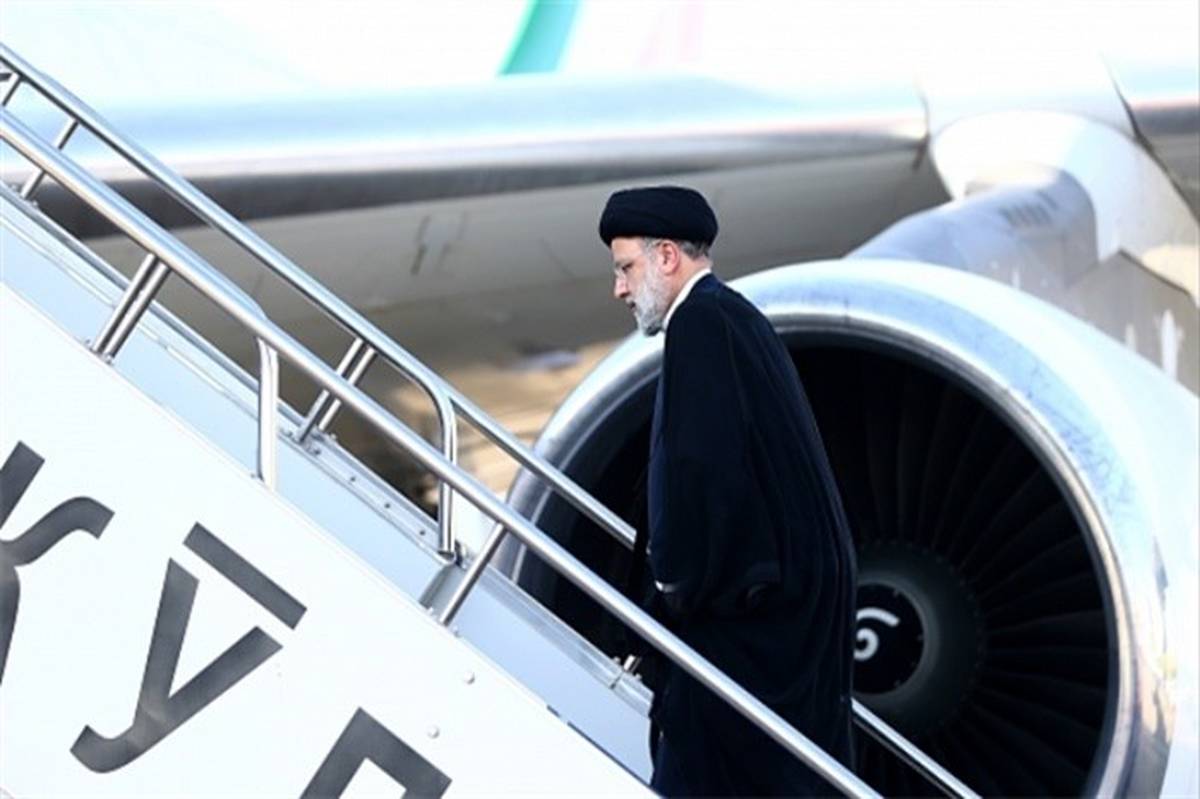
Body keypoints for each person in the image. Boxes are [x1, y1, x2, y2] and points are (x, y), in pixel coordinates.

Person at [599, 186, 858, 797]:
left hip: (737, 644)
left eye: (625, 268)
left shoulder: (701, 325)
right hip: (779, 632)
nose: (619, 289)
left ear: (666, 256)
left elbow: (701, 470)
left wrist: (674, 584)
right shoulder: (733, 317)